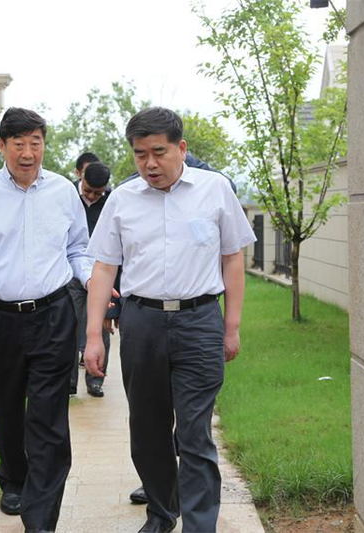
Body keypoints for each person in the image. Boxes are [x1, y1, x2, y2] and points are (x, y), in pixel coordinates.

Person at [83, 107, 255, 533]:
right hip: (141, 322)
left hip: (199, 322)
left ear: (181, 148)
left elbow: (233, 257)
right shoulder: (122, 199)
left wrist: (231, 327)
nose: (150, 164)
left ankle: (200, 525)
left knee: (194, 432)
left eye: (159, 152)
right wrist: (93, 336)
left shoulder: (215, 190)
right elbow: (103, 268)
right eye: (140, 154)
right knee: (147, 428)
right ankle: (162, 513)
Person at [0, 107, 92, 533]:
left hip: (54, 315)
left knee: (47, 419)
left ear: (44, 144)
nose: (28, 153)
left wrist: (92, 281)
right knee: (5, 408)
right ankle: (14, 477)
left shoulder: (63, 192)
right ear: (2, 146)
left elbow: (78, 248)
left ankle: (40, 519)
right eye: (19, 144)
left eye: (35, 143)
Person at [67, 158, 117, 397]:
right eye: (88, 191)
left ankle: (95, 379)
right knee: (68, 326)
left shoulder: (112, 202)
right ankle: (69, 381)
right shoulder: (67, 197)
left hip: (101, 273)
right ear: (81, 178)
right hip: (70, 272)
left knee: (99, 326)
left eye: (99, 193)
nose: (92, 196)